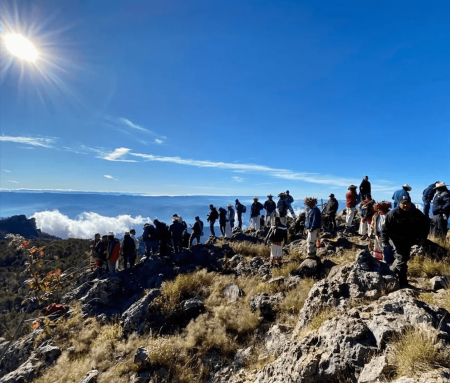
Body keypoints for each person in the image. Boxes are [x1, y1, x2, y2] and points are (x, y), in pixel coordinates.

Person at [381, 194, 429, 286]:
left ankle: (393, 274)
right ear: (399, 203)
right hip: (396, 239)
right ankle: (400, 280)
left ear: (410, 203)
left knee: (404, 258)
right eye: (403, 203)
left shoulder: (416, 213)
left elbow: (424, 225)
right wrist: (385, 240)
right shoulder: (393, 214)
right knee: (401, 257)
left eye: (407, 203)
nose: (406, 205)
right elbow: (385, 228)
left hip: (409, 239)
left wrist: (423, 237)